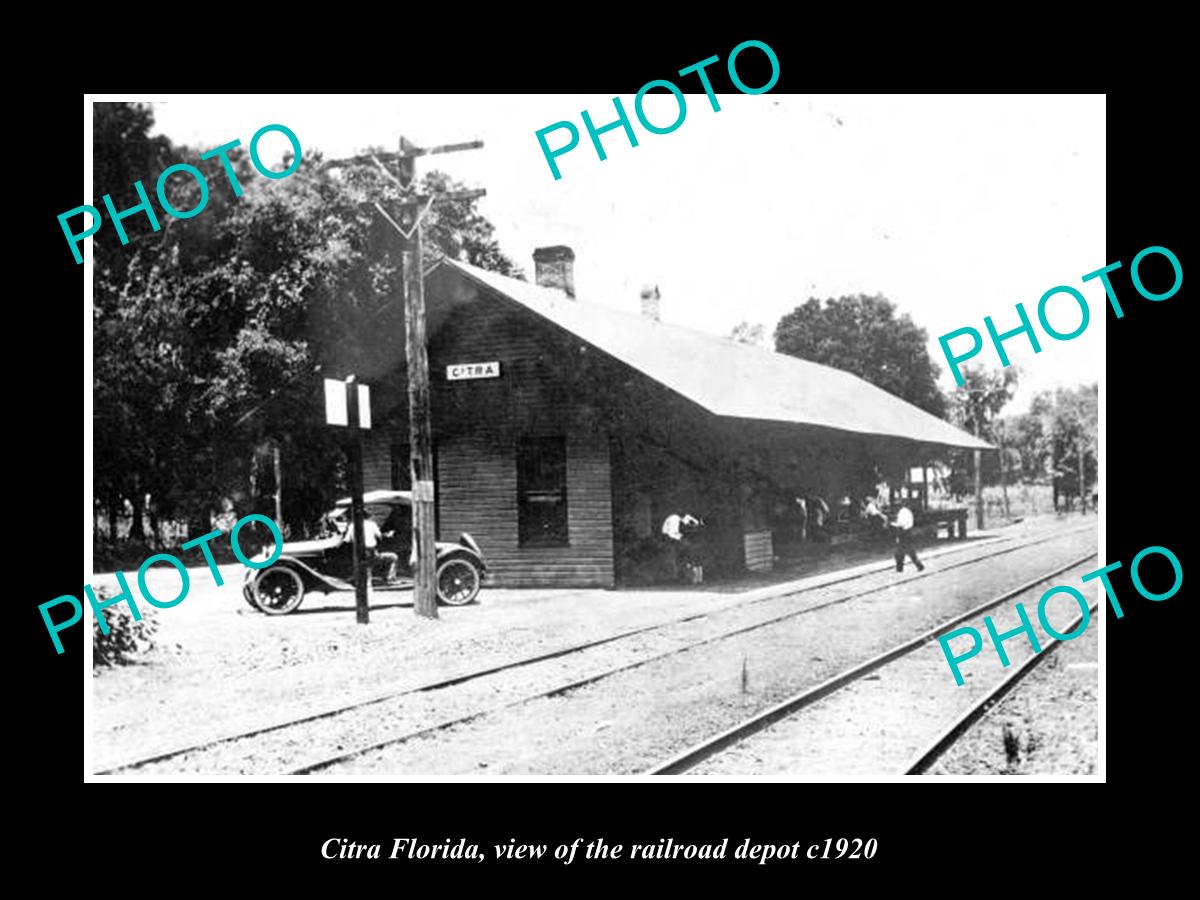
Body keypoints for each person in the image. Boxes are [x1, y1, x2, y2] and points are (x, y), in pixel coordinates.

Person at [343, 508, 399, 583]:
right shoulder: (372, 524)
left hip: (358, 553)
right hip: (370, 552)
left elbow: (347, 540)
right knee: (393, 557)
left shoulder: (352, 526)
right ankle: (389, 578)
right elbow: (379, 536)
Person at [892, 501, 925, 573]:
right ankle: (918, 565)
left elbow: (900, 524)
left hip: (903, 533)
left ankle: (901, 568)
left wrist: (893, 524)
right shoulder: (908, 512)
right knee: (907, 550)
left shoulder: (902, 512)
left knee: (901, 551)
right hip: (908, 531)